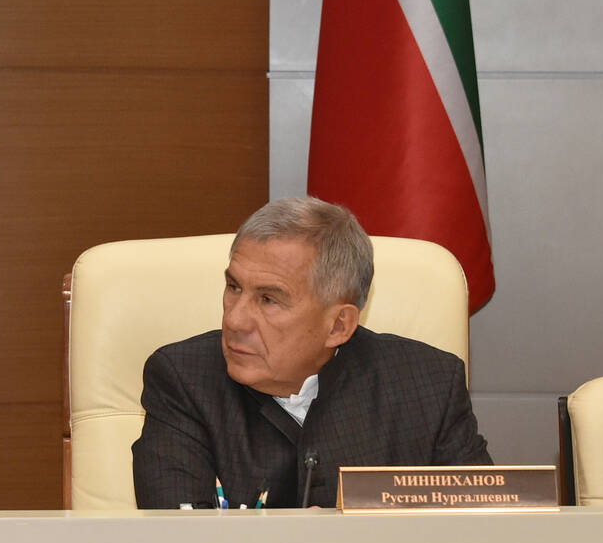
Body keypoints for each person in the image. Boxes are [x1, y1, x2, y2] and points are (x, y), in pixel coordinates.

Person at [131, 197, 492, 509]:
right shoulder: (183, 379)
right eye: (233, 287)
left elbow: (479, 534)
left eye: (268, 299)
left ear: (338, 326)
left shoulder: (428, 385)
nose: (235, 319)